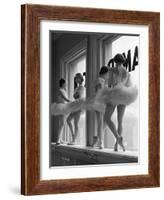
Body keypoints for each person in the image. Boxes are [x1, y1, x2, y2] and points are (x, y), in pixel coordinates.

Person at [104, 53, 133, 151]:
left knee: (107, 118)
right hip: (124, 95)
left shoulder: (112, 70)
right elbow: (128, 86)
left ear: (115, 61)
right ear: (123, 61)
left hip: (115, 94)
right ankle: (117, 145)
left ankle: (117, 138)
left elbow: (110, 85)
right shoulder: (127, 72)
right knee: (120, 120)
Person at [67, 73, 85, 144]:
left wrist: (75, 95)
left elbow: (77, 96)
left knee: (75, 123)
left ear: (80, 79)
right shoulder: (77, 88)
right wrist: (75, 95)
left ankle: (74, 140)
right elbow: (75, 96)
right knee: (68, 120)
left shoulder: (82, 87)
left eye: (77, 78)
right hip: (75, 105)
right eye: (75, 78)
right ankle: (73, 136)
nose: (76, 79)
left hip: (79, 105)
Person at [54, 78, 71, 144]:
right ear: (63, 83)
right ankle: (58, 139)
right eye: (65, 83)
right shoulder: (60, 90)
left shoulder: (64, 90)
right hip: (61, 107)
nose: (66, 84)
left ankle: (59, 139)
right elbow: (65, 98)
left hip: (64, 107)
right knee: (62, 123)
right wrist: (73, 102)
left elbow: (66, 99)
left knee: (62, 123)